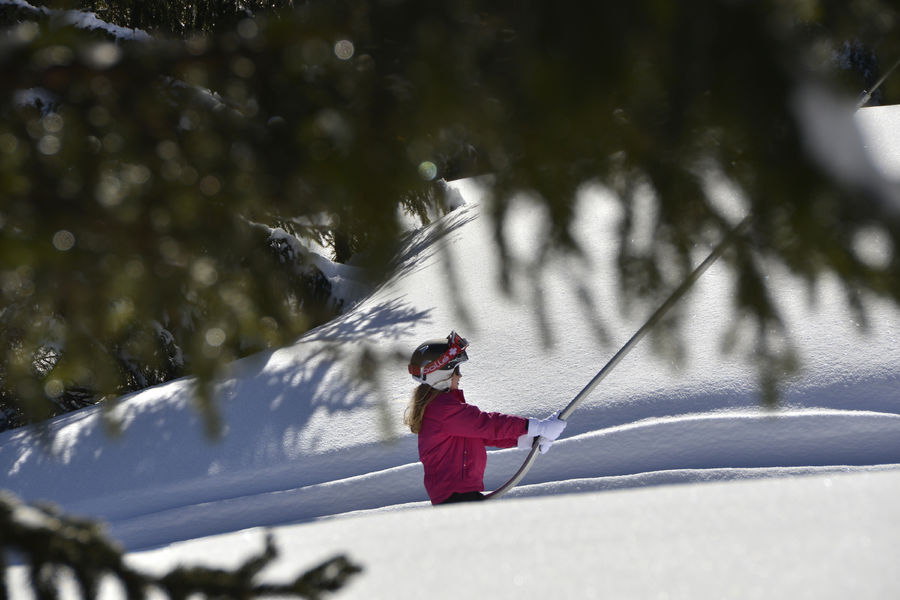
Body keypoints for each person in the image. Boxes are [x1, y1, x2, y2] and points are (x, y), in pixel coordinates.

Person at [404, 331, 567, 505]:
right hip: (456, 500)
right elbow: (488, 424)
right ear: (440, 375)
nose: (460, 376)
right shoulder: (442, 410)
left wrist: (529, 439)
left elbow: (483, 435)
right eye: (456, 370)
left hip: (460, 496)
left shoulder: (442, 409)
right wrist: (536, 427)